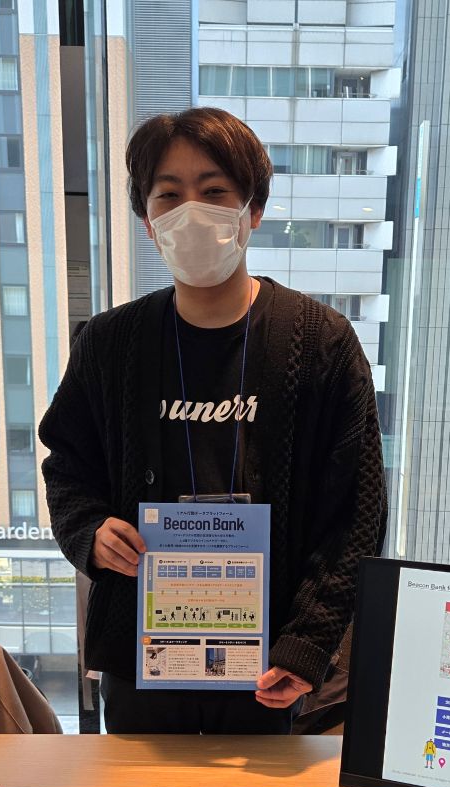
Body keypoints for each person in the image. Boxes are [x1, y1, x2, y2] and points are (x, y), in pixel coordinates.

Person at [39, 107, 387, 734]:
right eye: (169, 195)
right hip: (144, 655)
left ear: (253, 209)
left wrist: (307, 644)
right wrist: (88, 530)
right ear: (148, 220)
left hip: (273, 665)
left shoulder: (322, 342)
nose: (191, 212)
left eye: (215, 191)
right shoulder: (109, 344)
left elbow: (355, 516)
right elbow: (67, 463)